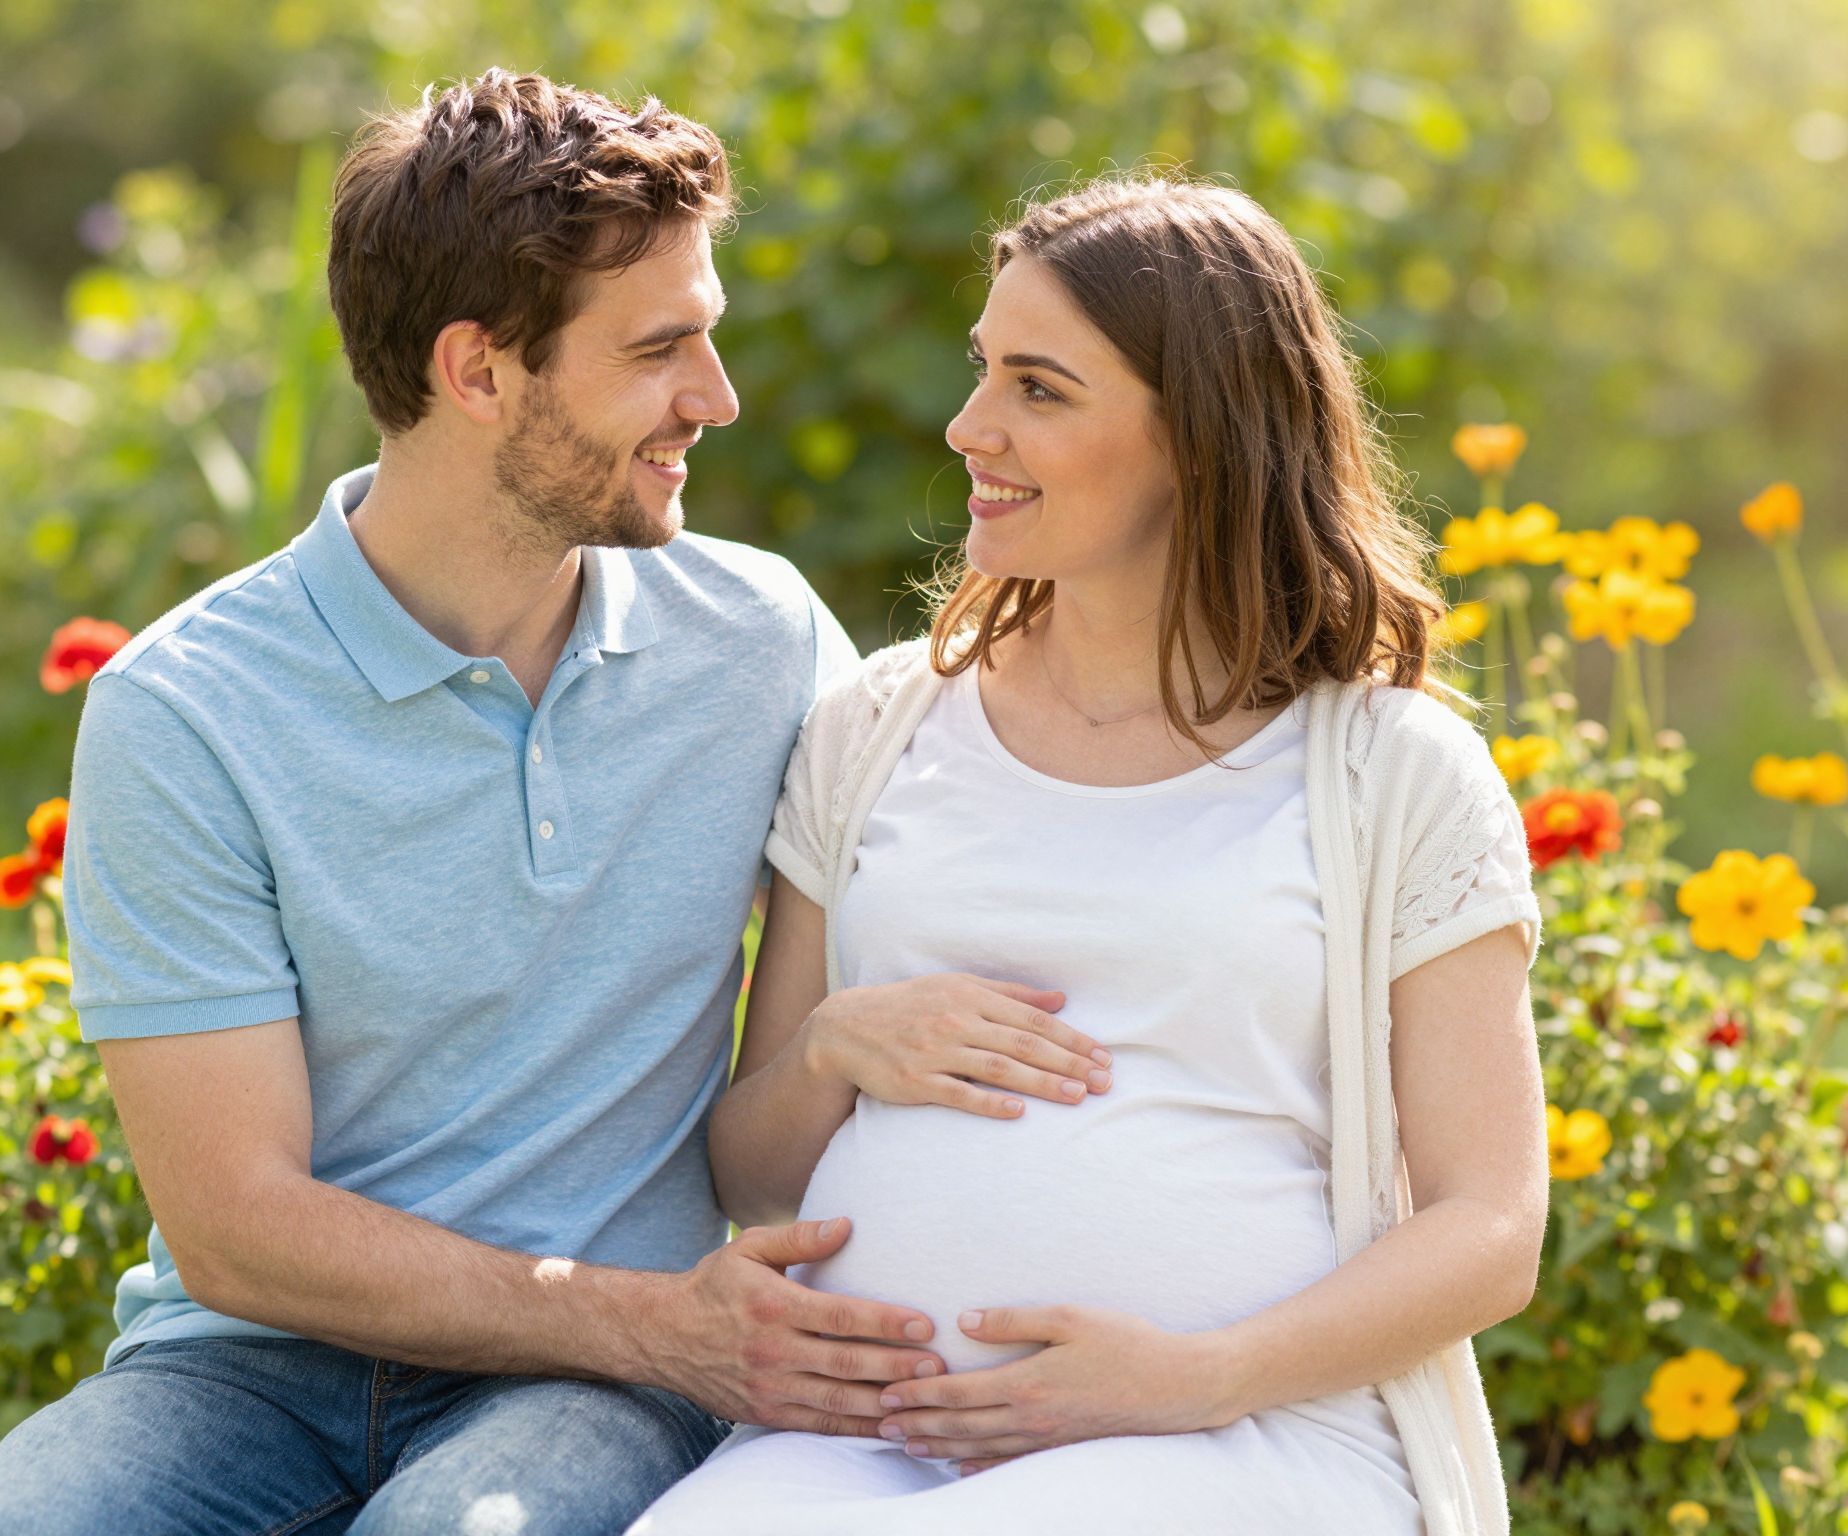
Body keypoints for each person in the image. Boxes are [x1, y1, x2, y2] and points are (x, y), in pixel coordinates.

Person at [0, 70, 955, 1535]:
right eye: (662, 350)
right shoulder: (187, 709)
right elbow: (241, 1233)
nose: (718, 398)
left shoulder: (755, 639)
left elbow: (968, 861)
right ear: (480, 371)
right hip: (250, 1374)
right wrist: (654, 1321)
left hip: (587, 1397)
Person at [631, 175, 1551, 1536]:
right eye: (981, 371)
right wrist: (833, 1046)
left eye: (1040, 390)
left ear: (1203, 436)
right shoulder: (878, 726)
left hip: (1244, 1439)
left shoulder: (1386, 772)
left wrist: (1196, 1377)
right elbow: (754, 1174)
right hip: (854, 1443)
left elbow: (1489, 1226)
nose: (970, 427)